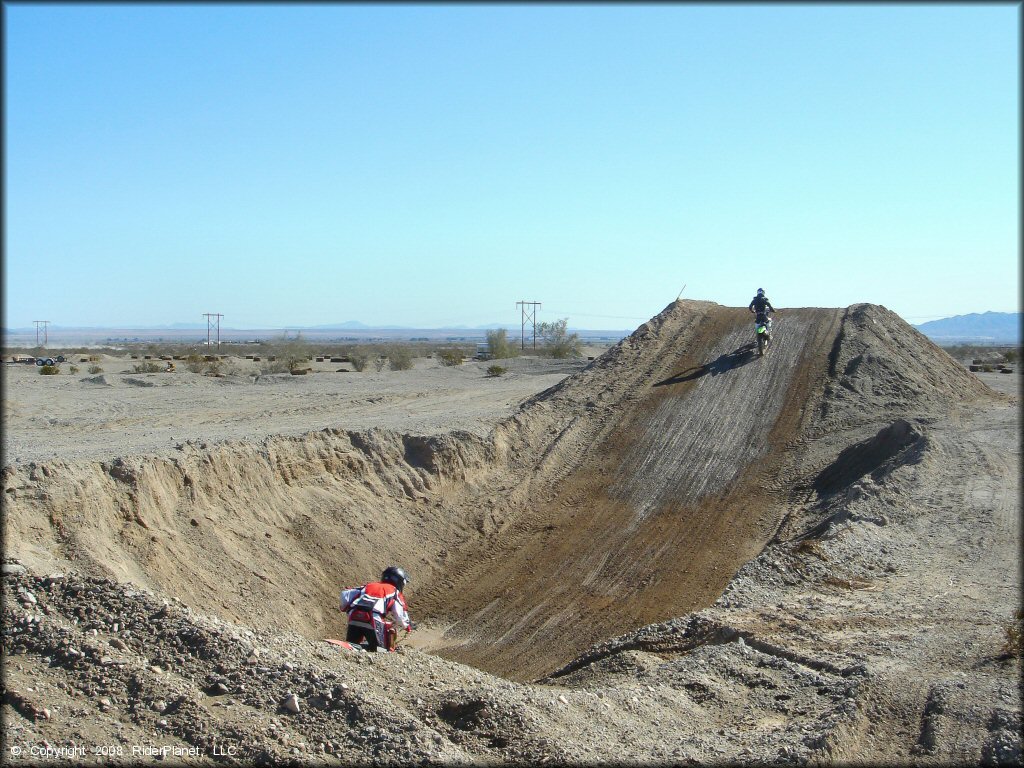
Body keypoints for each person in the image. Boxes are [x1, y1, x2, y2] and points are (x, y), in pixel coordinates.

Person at [339, 566, 412, 651]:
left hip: (354, 615)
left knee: (350, 645)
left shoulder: (368, 586)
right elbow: (400, 615)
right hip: (372, 617)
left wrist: (344, 608)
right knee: (380, 650)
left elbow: (345, 594)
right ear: (399, 581)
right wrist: (407, 626)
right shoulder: (395, 591)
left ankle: (353, 648)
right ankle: (363, 649)